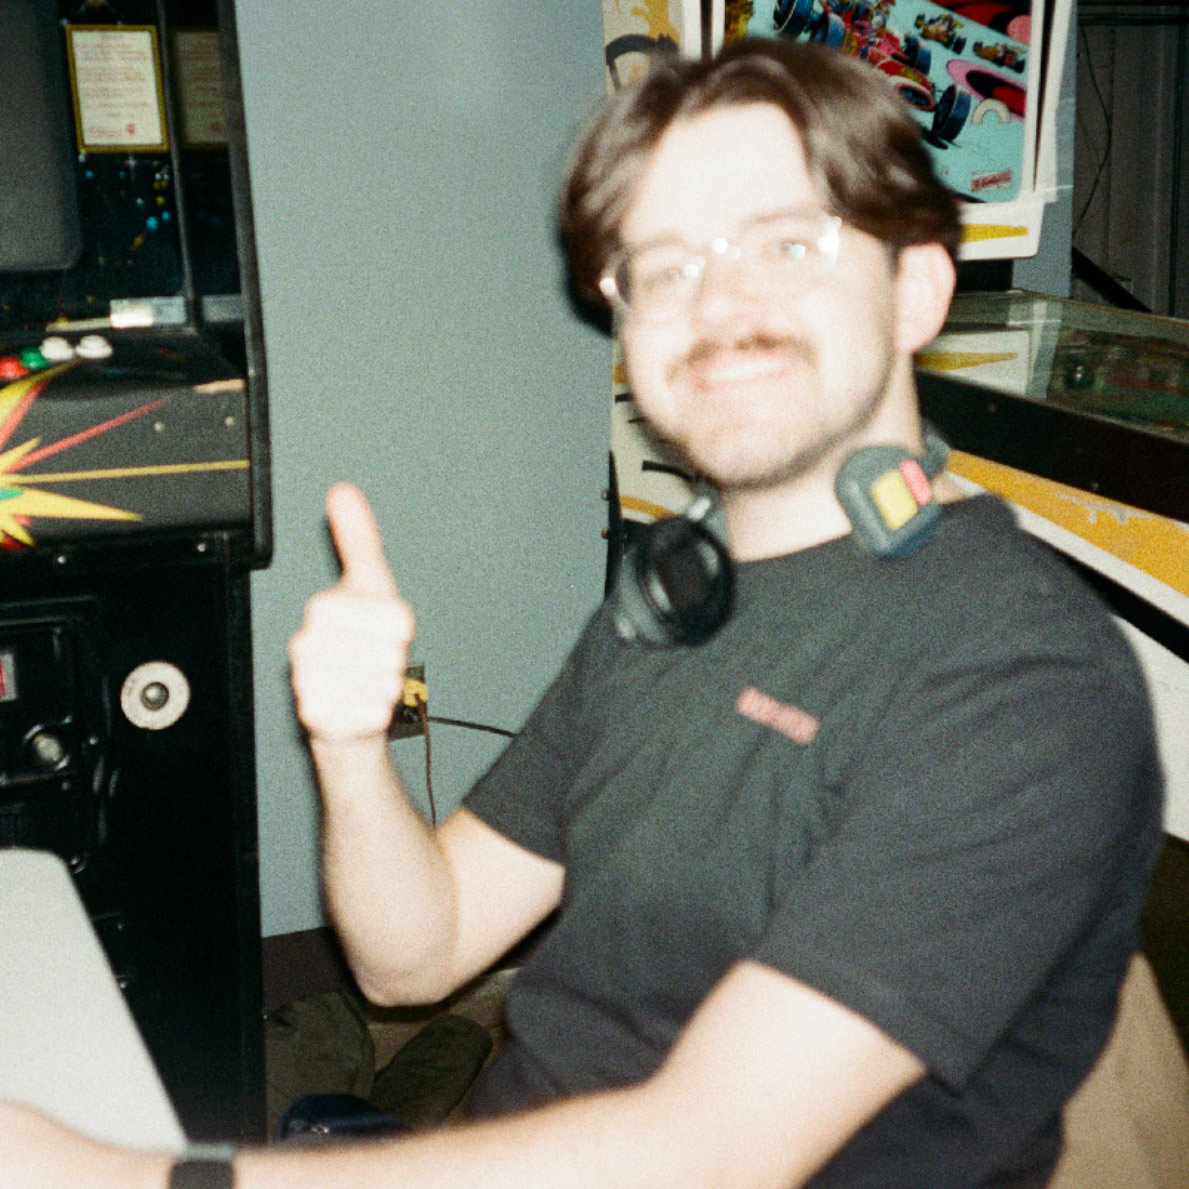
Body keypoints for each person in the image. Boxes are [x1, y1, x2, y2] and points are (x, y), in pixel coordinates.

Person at [0, 36, 1163, 1189]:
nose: (719, 303)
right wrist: (350, 746)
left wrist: (128, 1179)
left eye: (786, 243)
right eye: (661, 267)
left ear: (917, 287)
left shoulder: (1017, 677)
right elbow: (419, 952)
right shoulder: (675, 598)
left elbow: (712, 1151)